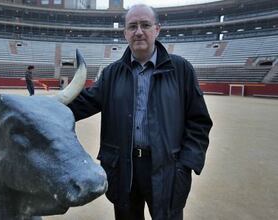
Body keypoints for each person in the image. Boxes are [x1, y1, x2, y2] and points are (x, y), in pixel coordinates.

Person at [68, 4, 212, 220]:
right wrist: (43, 109)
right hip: (124, 169)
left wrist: (185, 165)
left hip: (167, 170)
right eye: (132, 26)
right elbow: (82, 104)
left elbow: (199, 121)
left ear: (157, 29)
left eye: (145, 25)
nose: (138, 31)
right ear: (125, 33)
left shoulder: (181, 70)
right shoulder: (111, 74)